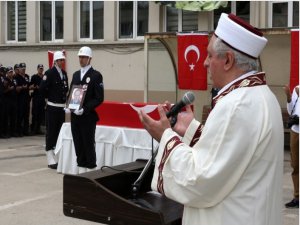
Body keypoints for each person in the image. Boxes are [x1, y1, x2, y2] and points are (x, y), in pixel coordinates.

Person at [139, 13, 283, 225]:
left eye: (209, 55)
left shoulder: (236, 105)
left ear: (228, 60)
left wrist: (165, 136)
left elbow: (199, 180)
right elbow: (229, 155)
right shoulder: (262, 95)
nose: (205, 63)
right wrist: (191, 129)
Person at [68, 46, 104, 173]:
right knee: (78, 145)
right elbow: (72, 93)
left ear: (89, 58)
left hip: (87, 117)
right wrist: (69, 106)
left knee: (88, 145)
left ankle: (90, 171)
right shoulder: (76, 74)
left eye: (83, 57)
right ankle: (81, 171)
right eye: (80, 57)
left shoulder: (96, 75)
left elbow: (99, 98)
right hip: (75, 117)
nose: (81, 59)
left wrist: (85, 109)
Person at [40, 51, 69, 169]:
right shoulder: (49, 73)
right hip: (52, 107)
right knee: (51, 132)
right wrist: (49, 97)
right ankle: (50, 156)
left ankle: (56, 154)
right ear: (55, 61)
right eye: (60, 60)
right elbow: (42, 88)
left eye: (63, 60)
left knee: (59, 132)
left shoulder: (64, 73)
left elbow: (65, 89)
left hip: (61, 107)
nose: (62, 62)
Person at [284, 84, 299, 208]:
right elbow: (291, 111)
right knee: (295, 165)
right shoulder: (297, 89)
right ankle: (297, 196)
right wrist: (289, 98)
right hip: (295, 130)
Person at [15, 62, 31, 136]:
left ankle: (26, 131)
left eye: (24, 69)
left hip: (26, 98)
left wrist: (30, 87)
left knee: (26, 115)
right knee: (20, 115)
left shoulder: (27, 76)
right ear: (19, 69)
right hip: (20, 99)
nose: (23, 70)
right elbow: (16, 89)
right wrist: (22, 87)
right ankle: (18, 131)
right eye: (22, 69)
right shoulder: (16, 77)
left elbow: (29, 85)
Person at [30, 64, 46, 135]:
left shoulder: (44, 77)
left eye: (42, 69)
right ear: (37, 69)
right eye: (40, 68)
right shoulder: (34, 77)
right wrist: (34, 87)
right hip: (36, 97)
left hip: (42, 98)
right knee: (35, 113)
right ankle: (33, 129)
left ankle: (38, 129)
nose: (41, 70)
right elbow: (30, 86)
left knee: (41, 114)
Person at [3, 66, 17, 138]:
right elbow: (3, 91)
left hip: (14, 100)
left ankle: (13, 132)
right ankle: (6, 132)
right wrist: (9, 89)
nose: (11, 74)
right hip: (7, 101)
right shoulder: (5, 80)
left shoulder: (14, 80)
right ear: (7, 73)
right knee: (6, 117)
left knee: (13, 117)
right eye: (9, 72)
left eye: (12, 72)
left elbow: (16, 88)